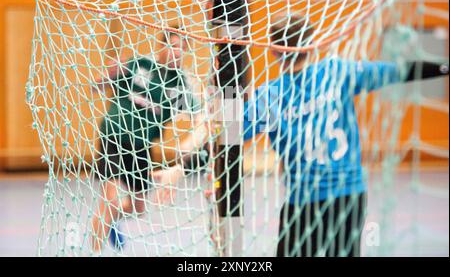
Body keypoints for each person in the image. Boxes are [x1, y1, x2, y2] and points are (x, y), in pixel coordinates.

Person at [163, 15, 449, 257]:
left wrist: (182, 166)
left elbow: (226, 143)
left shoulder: (270, 97)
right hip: (348, 198)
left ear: (274, 51)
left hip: (303, 203)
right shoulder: (338, 72)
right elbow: (400, 71)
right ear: (310, 45)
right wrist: (443, 67)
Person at [91, 29, 206, 252]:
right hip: (114, 136)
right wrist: (107, 75)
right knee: (109, 201)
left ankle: (112, 219)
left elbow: (197, 117)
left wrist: (192, 141)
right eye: (172, 46)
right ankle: (95, 249)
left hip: (142, 147)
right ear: (161, 47)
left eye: (182, 49)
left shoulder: (178, 85)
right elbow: (95, 86)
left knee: (138, 207)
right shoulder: (141, 65)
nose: (176, 53)